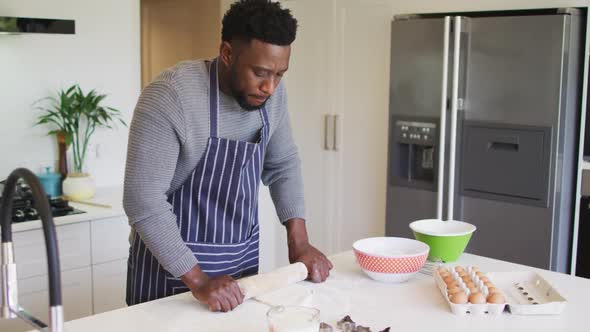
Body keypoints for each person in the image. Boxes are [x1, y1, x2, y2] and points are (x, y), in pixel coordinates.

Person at [123, 0, 332, 312]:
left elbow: (283, 163)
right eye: (260, 72)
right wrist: (199, 281)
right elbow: (143, 201)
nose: (269, 87)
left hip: (240, 269)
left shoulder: (272, 96)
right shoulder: (171, 96)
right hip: (172, 277)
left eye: (279, 74)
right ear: (227, 53)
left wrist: (298, 242)